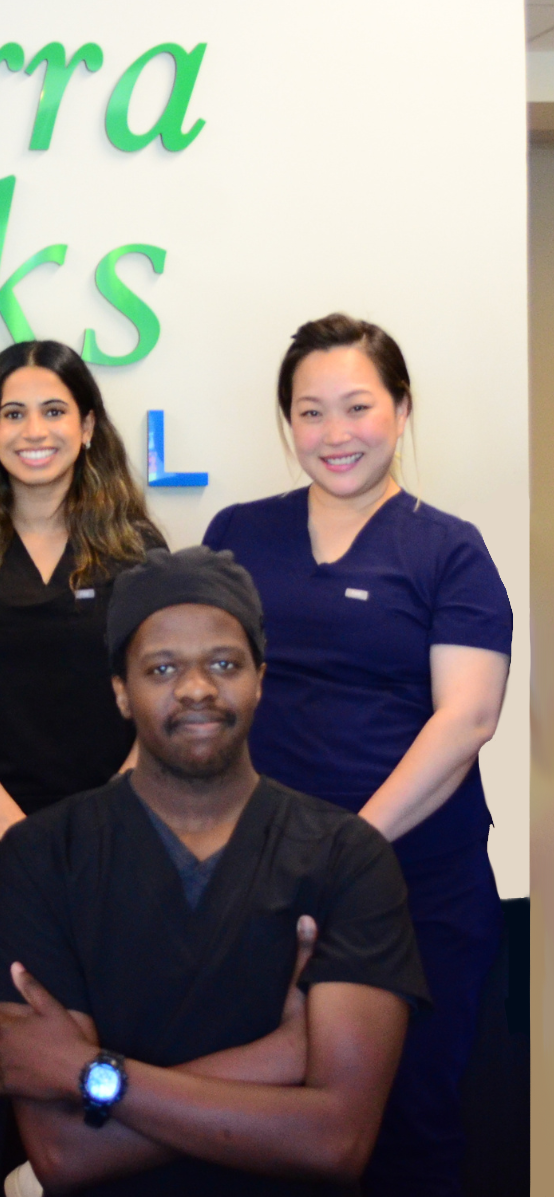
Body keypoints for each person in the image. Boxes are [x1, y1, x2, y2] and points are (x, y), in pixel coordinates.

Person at [0, 545, 428, 1196]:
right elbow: (63, 1152)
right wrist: (280, 1058)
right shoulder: (44, 857)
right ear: (121, 692)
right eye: (162, 668)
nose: (197, 688)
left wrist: (91, 1076)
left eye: (224, 663)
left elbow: (336, 1140)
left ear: (260, 679)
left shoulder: (346, 857)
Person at [201, 314, 509, 1197]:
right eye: (311, 412)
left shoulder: (447, 548)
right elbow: (200, 688)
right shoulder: (238, 534)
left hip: (418, 886)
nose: (335, 434)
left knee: (410, 1119)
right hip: (261, 881)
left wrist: (348, 851)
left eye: (358, 407)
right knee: (262, 1120)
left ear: (402, 410)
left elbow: (467, 719)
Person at [0, 339, 163, 886]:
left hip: (118, 825)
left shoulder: (137, 548)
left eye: (53, 411)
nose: (34, 431)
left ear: (87, 426)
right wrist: (7, 821)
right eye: (13, 414)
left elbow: (159, 694)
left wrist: (111, 810)